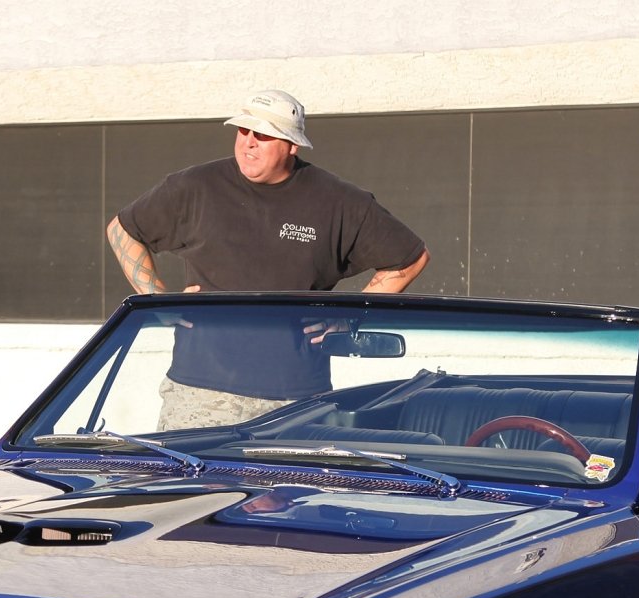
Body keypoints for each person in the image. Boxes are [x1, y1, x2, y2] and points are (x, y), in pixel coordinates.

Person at [106, 89, 430, 429]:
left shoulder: (339, 202)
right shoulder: (195, 187)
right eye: (243, 131)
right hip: (199, 396)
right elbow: (122, 230)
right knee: (192, 486)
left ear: (292, 145)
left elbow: (409, 257)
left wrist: (348, 318)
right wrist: (159, 302)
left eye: (262, 135)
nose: (248, 142)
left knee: (290, 485)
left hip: (297, 403)